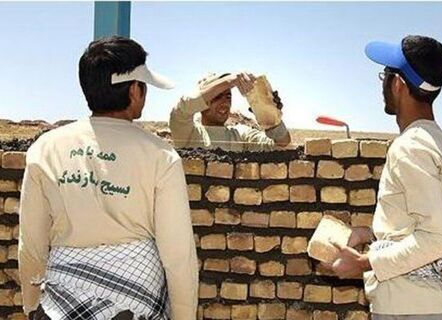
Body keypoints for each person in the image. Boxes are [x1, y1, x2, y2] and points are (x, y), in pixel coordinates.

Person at [18, 36, 198, 320]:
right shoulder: (160, 155)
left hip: (60, 307)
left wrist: (31, 305)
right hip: (138, 305)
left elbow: (32, 243)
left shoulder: (46, 149)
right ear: (135, 91)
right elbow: (178, 257)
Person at [327, 35, 442, 319]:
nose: (383, 84)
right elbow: (421, 224)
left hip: (408, 310)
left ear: (398, 84)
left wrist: (365, 262)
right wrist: (371, 234)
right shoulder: (435, 141)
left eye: (385, 76)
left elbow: (440, 238)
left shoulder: (410, 146)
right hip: (419, 306)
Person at [169, 72, 291, 152]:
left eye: (228, 97)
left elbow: (281, 145)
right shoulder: (187, 132)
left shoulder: (241, 134)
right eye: (217, 96)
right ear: (202, 102)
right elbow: (182, 108)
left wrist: (271, 116)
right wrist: (230, 81)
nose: (225, 103)